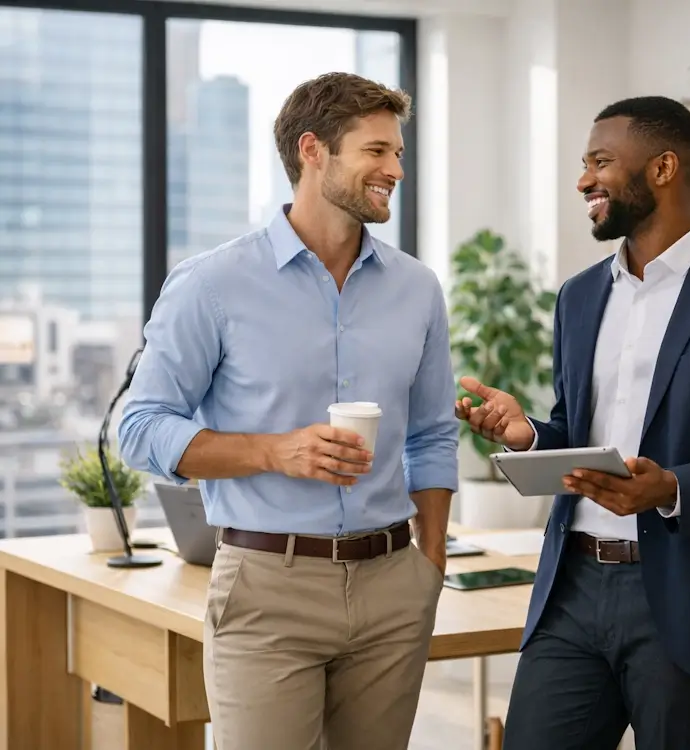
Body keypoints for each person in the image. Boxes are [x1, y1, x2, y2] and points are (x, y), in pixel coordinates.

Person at [456, 96, 690, 749]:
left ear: (662, 168)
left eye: (600, 162)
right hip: (572, 587)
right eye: (584, 164)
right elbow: (580, 432)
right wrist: (530, 435)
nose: (583, 181)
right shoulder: (578, 296)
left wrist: (672, 487)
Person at [118, 72, 458, 750]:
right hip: (267, 587)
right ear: (312, 151)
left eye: (397, 153)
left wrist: (431, 560)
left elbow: (432, 433)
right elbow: (141, 427)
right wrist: (275, 451)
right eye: (376, 151)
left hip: (394, 584)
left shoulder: (418, 289)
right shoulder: (212, 284)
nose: (396, 170)